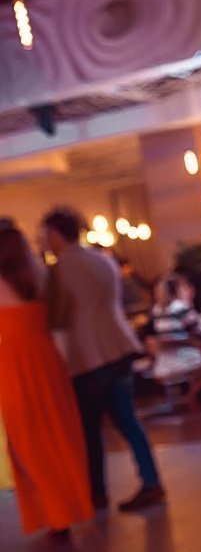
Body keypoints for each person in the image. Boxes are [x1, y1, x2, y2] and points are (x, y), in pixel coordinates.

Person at [42, 208, 165, 512]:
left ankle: (96, 493)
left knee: (90, 429)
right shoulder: (102, 259)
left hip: (88, 355)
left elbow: (57, 317)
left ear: (55, 234)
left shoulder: (60, 269)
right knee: (128, 420)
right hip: (120, 345)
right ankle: (151, 480)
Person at [0, 226, 94, 535]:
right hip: (46, 358)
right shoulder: (39, 275)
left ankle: (54, 511)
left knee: (28, 441)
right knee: (57, 433)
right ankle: (68, 505)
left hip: (13, 364)